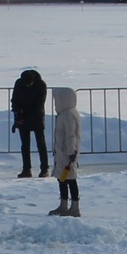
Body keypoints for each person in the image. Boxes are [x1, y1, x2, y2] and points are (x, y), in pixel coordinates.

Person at [47, 86, 82, 217]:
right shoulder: (64, 114)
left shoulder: (68, 115)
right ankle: (63, 204)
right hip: (62, 153)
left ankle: (74, 206)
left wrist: (71, 152)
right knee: (62, 178)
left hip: (67, 153)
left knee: (70, 179)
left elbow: (70, 135)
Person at [10, 68, 49, 177]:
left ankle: (44, 169)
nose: (26, 86)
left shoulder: (41, 85)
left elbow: (39, 105)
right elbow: (15, 99)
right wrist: (17, 114)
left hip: (36, 116)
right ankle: (26, 169)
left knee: (41, 143)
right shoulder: (19, 83)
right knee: (25, 144)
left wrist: (27, 118)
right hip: (22, 117)